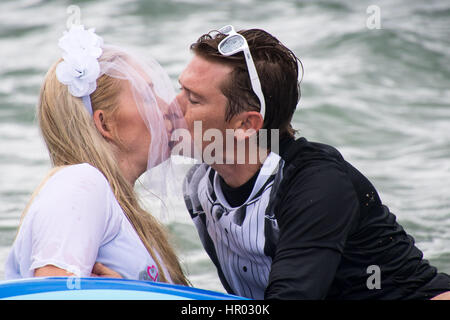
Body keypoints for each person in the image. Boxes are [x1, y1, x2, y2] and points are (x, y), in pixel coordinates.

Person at [180, 26, 450, 299]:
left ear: (246, 124)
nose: (172, 106)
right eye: (180, 90)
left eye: (192, 99)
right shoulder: (200, 182)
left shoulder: (318, 185)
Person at [4, 25, 188, 286]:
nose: (168, 108)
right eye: (148, 97)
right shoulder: (80, 183)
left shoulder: (120, 206)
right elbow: (51, 290)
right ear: (105, 124)